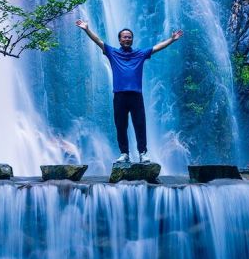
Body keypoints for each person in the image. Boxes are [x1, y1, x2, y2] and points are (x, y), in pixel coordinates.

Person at [76, 20, 184, 167]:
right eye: (124, 37)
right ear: (119, 40)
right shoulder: (112, 53)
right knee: (121, 125)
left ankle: (142, 153)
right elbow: (98, 41)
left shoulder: (140, 54)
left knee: (140, 125)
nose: (127, 39)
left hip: (136, 96)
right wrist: (87, 29)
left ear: (132, 39)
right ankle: (124, 154)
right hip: (119, 96)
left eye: (129, 37)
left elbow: (157, 48)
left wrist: (172, 40)